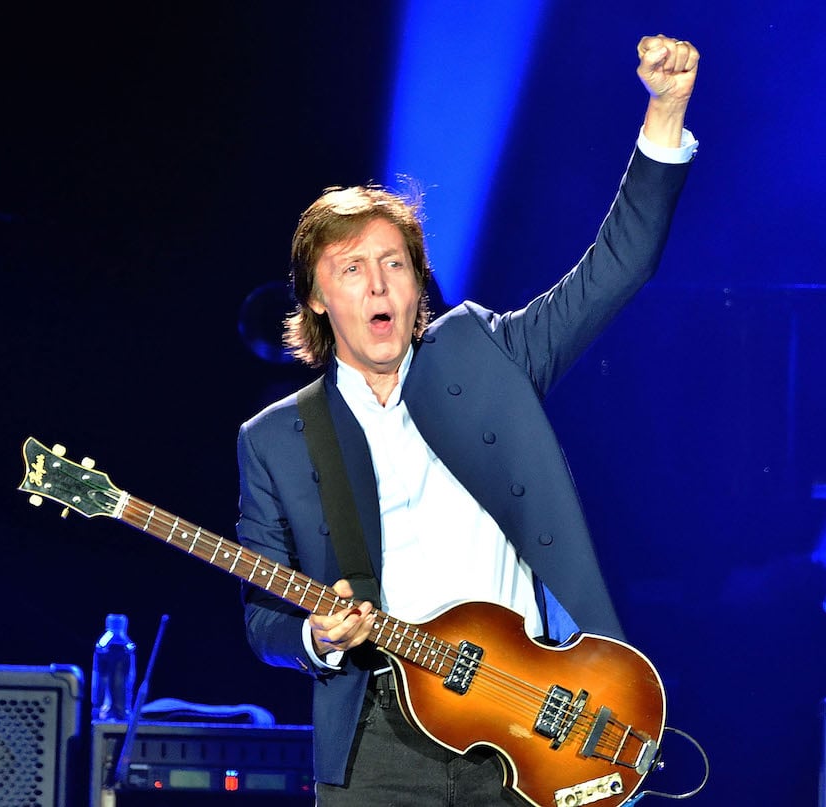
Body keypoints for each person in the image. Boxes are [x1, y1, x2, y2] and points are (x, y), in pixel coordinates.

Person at [235, 34, 700, 806]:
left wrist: (666, 109)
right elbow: (264, 619)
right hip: (376, 740)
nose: (379, 282)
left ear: (419, 284)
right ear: (316, 299)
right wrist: (315, 637)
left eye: (395, 263)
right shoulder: (278, 439)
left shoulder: (486, 353)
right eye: (352, 267)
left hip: (531, 723)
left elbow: (617, 268)